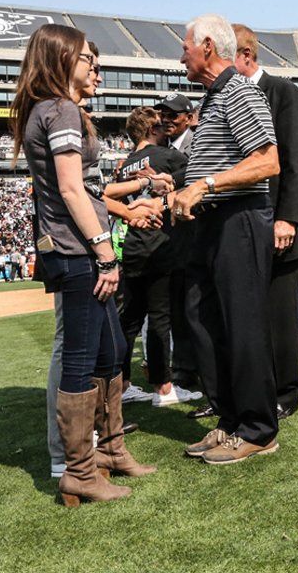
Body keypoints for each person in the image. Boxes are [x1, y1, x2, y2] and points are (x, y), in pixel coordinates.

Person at [10, 23, 154, 506]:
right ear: (60, 60)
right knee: (81, 356)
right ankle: (78, 470)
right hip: (76, 251)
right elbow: (73, 189)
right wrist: (104, 250)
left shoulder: (53, 109)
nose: (96, 67)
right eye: (87, 60)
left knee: (110, 350)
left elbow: (84, 189)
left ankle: (109, 451)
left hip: (75, 246)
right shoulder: (61, 109)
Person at [169, 14, 282, 465]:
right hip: (210, 225)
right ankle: (230, 420)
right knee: (203, 321)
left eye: (186, 48)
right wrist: (183, 189)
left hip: (238, 220)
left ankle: (258, 429)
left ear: (209, 47)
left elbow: (269, 161)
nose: (182, 57)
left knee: (242, 326)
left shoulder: (238, 91)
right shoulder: (214, 98)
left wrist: (206, 185)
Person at [231, 23, 298, 420]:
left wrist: (287, 218)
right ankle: (254, 389)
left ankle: (285, 392)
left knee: (281, 314)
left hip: (278, 223)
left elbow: (297, 161)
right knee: (250, 315)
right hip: (244, 225)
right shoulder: (229, 97)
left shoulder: (282, 92)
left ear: (246, 55)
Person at [111, 106, 202, 408]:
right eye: (161, 125)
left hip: (133, 245)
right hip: (160, 243)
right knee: (160, 318)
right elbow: (198, 168)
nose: (166, 128)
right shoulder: (164, 156)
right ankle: (163, 388)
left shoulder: (124, 166)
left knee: (130, 320)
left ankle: (121, 384)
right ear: (151, 129)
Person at [155, 92, 203, 405]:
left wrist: (168, 179)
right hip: (173, 237)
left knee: (194, 305)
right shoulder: (162, 147)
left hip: (196, 232)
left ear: (188, 116)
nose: (166, 120)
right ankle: (184, 368)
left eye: (173, 115)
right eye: (163, 115)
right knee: (177, 305)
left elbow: (197, 173)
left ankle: (198, 369)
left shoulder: (195, 143)